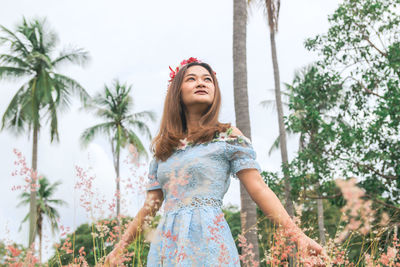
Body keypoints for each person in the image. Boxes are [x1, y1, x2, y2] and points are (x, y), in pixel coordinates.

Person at [104, 58, 325, 266]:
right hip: (167, 245)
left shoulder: (228, 137)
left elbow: (259, 189)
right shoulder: (164, 148)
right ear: (177, 92)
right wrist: (119, 249)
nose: (201, 82)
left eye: (207, 79)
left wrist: (298, 236)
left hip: (209, 240)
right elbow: (149, 207)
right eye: (191, 78)